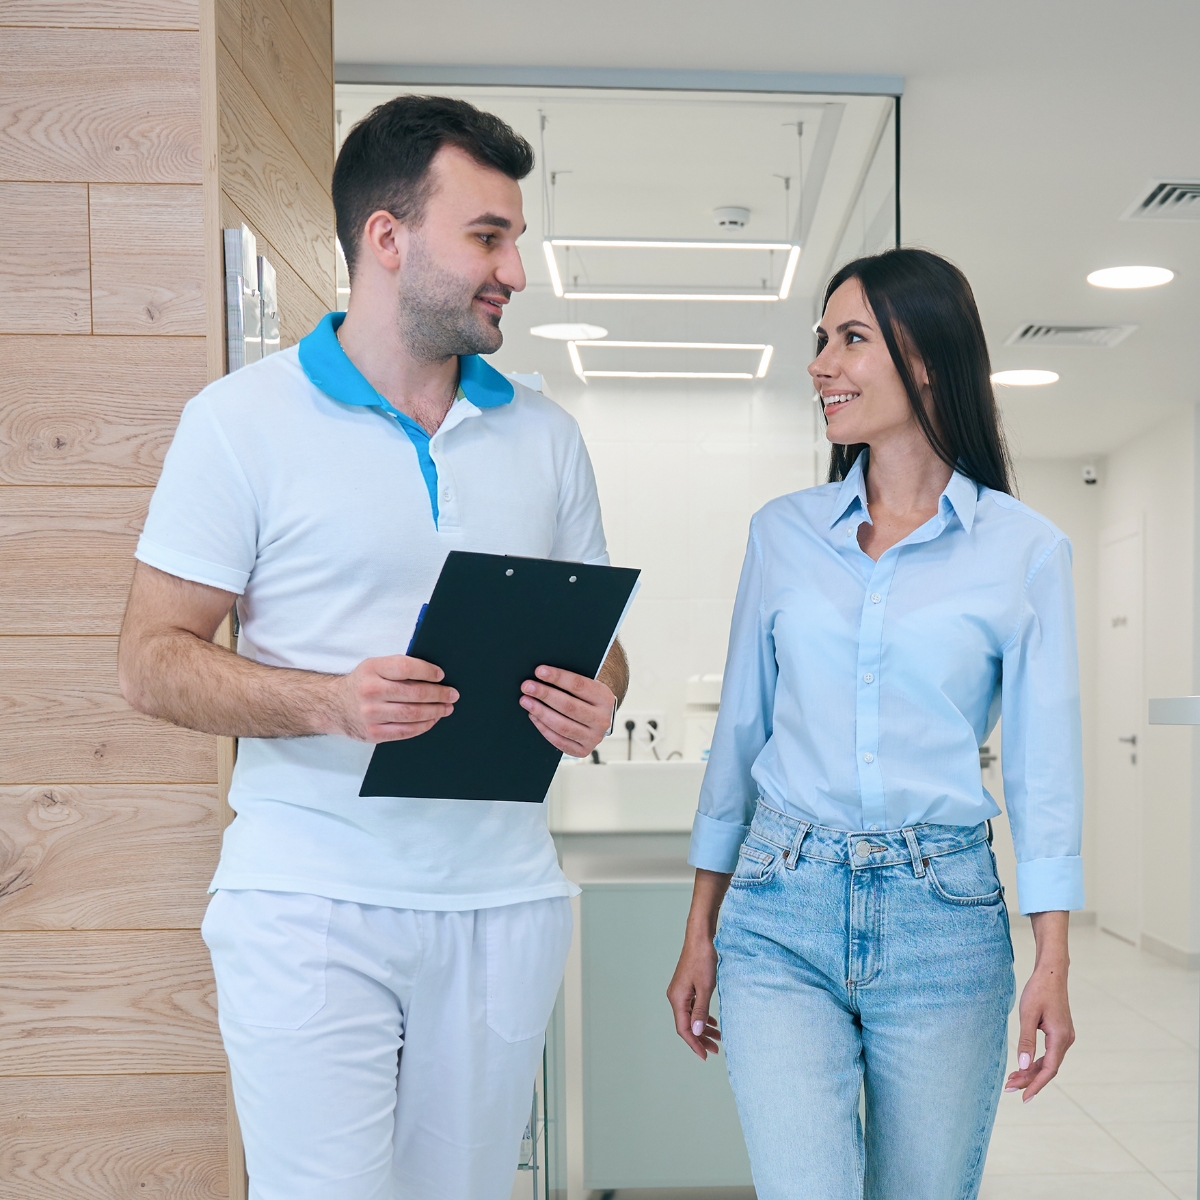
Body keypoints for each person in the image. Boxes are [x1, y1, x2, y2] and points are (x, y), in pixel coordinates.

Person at [118, 95, 626, 1200]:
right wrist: (329, 703)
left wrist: (595, 695)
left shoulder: (546, 437)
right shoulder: (240, 422)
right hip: (308, 900)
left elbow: (603, 649)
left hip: (501, 904)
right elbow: (152, 656)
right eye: (488, 238)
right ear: (387, 239)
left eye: (516, 241)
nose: (516, 272)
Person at [667, 247, 1081, 1199]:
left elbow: (1044, 773)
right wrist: (701, 928)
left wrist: (1053, 959)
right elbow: (739, 738)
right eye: (821, 339)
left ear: (927, 357)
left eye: (850, 339)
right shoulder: (782, 534)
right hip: (780, 911)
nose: (822, 363)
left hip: (944, 921)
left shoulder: (1025, 551)